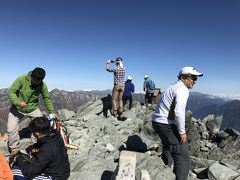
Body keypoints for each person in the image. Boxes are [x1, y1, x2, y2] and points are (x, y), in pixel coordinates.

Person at [152, 66, 203, 180]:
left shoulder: (173, 86)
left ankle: (165, 171)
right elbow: (179, 112)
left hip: (157, 121)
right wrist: (182, 132)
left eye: (196, 78)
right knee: (183, 157)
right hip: (166, 123)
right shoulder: (182, 89)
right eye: (193, 77)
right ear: (183, 77)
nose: (195, 81)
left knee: (169, 147)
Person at [7, 67, 56, 155]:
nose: (36, 81)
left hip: (32, 108)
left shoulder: (42, 85)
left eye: (39, 80)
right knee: (11, 128)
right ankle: (14, 149)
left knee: (40, 126)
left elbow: (46, 98)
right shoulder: (22, 79)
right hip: (17, 108)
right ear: (31, 76)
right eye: (35, 79)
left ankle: (35, 145)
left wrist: (52, 112)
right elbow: (11, 92)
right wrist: (18, 102)